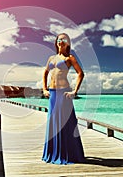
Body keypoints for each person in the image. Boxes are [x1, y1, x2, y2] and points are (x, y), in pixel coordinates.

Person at [42, 33, 85, 164]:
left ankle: (70, 154)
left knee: (66, 123)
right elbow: (45, 73)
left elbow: (80, 73)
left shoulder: (70, 58)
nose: (61, 41)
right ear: (56, 42)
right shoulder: (51, 58)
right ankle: (52, 152)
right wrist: (44, 89)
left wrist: (74, 91)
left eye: (64, 40)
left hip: (64, 93)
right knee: (53, 122)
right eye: (59, 39)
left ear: (67, 44)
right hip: (53, 93)